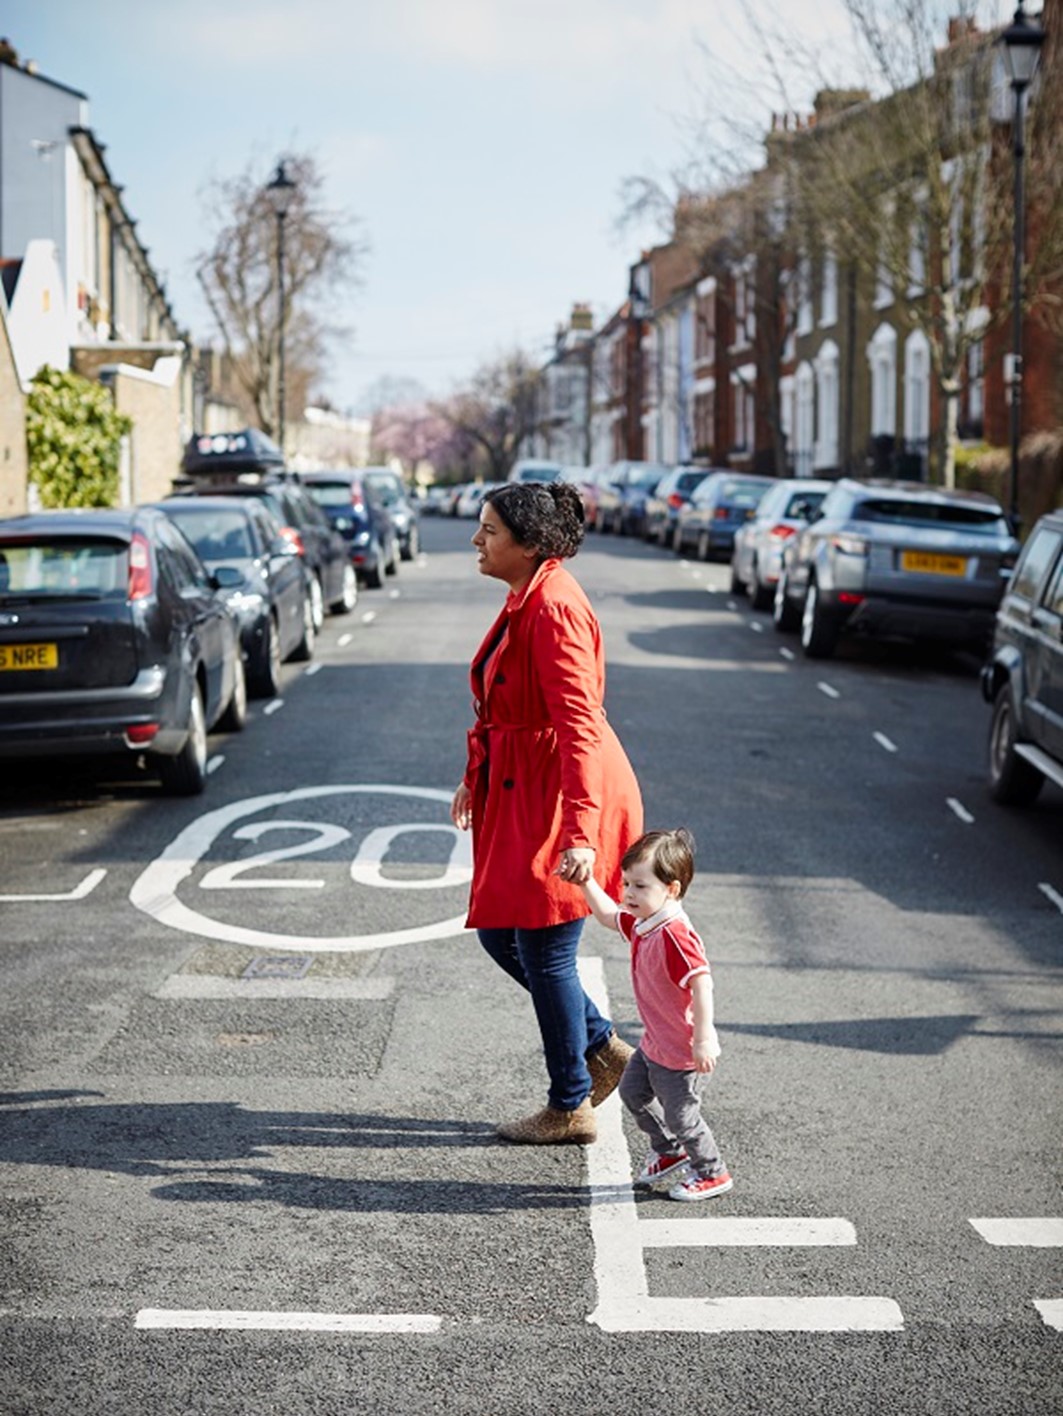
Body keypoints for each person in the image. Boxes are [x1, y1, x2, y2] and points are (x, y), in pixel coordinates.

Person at [451, 481, 643, 1146]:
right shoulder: (526, 593)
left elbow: (579, 727)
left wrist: (581, 833)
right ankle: (603, 1051)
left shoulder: (554, 607)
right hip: (524, 786)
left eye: (490, 532)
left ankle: (570, 1104)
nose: (477, 540)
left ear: (530, 546)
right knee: (503, 935)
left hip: (560, 793)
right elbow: (505, 704)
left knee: (543, 947)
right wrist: (472, 778)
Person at [579, 828, 733, 1201]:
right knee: (632, 1092)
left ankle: (712, 1173)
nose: (629, 893)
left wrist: (703, 1038)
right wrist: (585, 882)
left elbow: (701, 982)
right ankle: (669, 1151)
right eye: (627, 883)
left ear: (672, 890)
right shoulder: (645, 922)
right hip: (654, 1044)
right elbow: (605, 915)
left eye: (641, 886)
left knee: (683, 1117)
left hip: (682, 1052)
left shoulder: (674, 934)